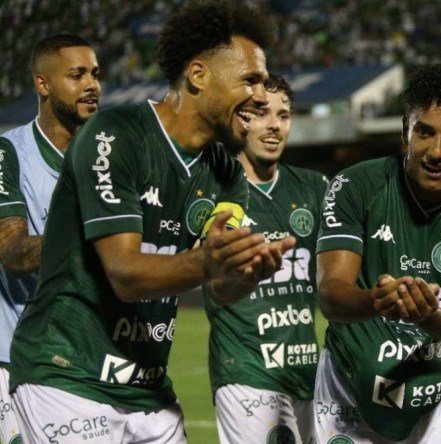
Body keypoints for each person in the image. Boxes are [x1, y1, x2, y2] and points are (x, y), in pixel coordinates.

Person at [9, 2, 294, 442]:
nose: (261, 95)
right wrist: (208, 262)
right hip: (66, 375)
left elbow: (220, 286)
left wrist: (246, 271)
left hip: (147, 387)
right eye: (250, 80)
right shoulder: (113, 135)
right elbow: (125, 272)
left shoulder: (226, 173)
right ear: (198, 76)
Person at [314, 64, 441, 443]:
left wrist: (428, 315)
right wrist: (379, 300)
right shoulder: (356, 187)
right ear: (404, 131)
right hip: (347, 395)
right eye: (424, 132)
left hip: (429, 399)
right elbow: (331, 296)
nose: (437, 151)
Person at [205, 73, 328, 444]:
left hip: (308, 371)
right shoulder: (213, 189)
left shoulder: (314, 188)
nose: (274, 125)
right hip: (246, 373)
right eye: (261, 113)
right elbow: (212, 283)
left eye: (284, 115)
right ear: (240, 120)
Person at [0, 33, 101, 444]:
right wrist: (100, 234)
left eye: (95, 74)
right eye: (76, 75)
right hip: (16, 364)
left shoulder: (110, 155)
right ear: (43, 85)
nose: (91, 84)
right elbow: (13, 252)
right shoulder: (9, 154)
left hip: (89, 361)